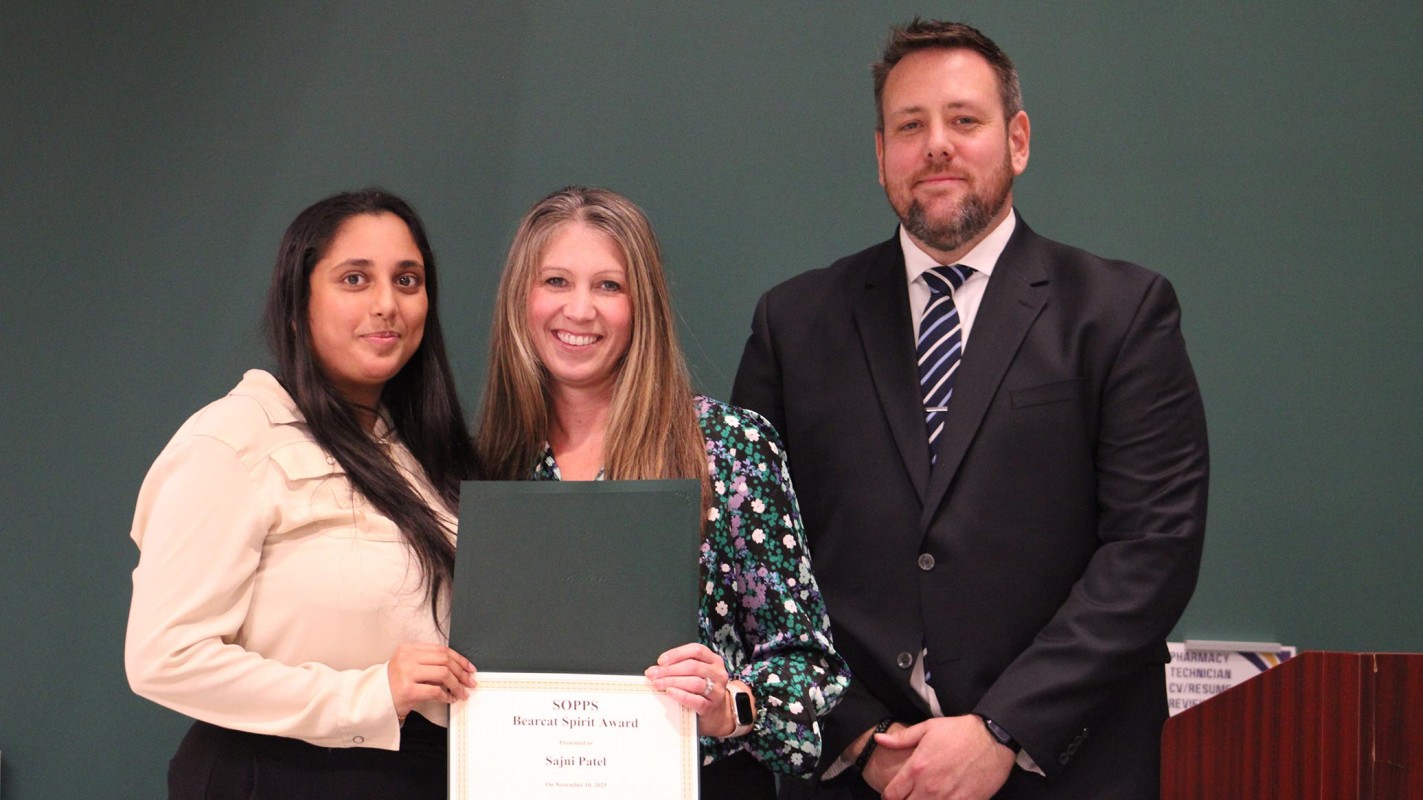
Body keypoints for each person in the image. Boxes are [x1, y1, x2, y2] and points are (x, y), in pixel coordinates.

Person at [732, 19, 1209, 800]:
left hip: (1065, 768)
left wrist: (1002, 731)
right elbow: (757, 564)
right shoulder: (794, 322)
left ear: (1016, 140)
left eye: (963, 120)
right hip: (858, 775)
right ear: (880, 153)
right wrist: (854, 732)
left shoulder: (1120, 312)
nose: (935, 146)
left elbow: (1151, 549)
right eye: (908, 126)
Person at [475, 186, 851, 799]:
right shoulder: (486, 465)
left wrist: (729, 704)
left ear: (642, 304)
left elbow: (809, 665)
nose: (580, 310)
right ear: (521, 297)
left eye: (608, 286)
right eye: (556, 282)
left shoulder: (727, 448)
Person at [125, 189, 482, 798]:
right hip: (281, 774)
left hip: (418, 771)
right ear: (297, 304)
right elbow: (165, 657)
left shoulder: (423, 457)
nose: (386, 305)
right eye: (354, 278)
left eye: (407, 279)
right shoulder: (233, 439)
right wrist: (366, 694)